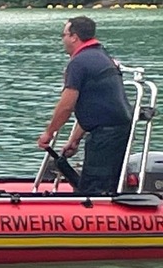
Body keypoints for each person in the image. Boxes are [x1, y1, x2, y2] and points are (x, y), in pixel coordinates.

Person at [37, 16, 132, 194]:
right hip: (114, 129)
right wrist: (75, 138)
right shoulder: (101, 56)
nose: (62, 39)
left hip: (106, 134)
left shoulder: (79, 63)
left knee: (95, 187)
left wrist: (49, 133)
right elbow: (95, 104)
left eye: (63, 34)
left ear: (74, 37)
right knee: (98, 181)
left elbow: (66, 105)